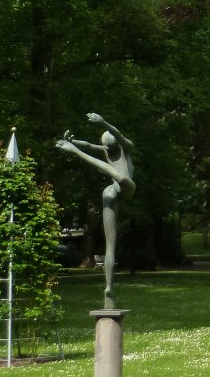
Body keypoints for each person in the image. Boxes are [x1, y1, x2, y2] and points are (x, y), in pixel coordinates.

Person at [56, 113, 136, 300]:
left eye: (109, 146)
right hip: (115, 191)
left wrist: (104, 122)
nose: (107, 149)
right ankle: (109, 287)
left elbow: (119, 136)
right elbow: (90, 145)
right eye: (106, 147)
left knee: (121, 178)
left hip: (127, 186)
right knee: (110, 243)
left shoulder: (126, 147)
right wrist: (74, 141)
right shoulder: (108, 148)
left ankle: (77, 154)